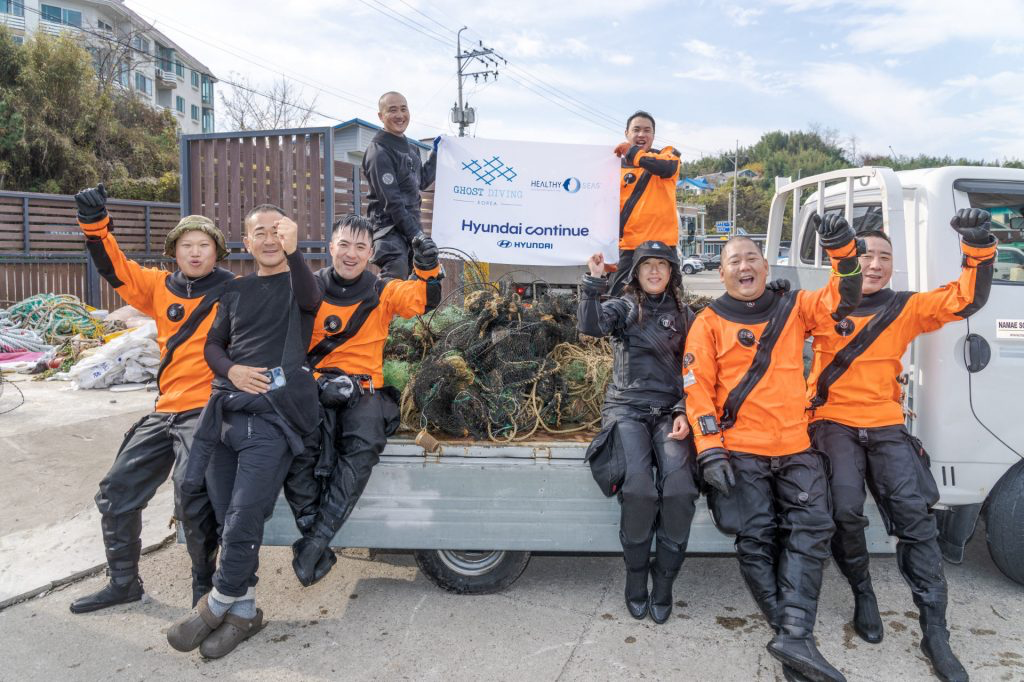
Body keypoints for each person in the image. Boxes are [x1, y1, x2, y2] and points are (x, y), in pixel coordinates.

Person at [805, 209, 996, 682]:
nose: (875, 264)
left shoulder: (907, 307)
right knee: (845, 510)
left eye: (885, 257)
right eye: (865, 255)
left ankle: (935, 632)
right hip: (831, 421)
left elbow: (965, 299)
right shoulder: (826, 302)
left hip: (886, 423)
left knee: (915, 520)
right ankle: (863, 593)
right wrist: (839, 250)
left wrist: (977, 246)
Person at [685, 216, 863, 682]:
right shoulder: (707, 322)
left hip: (795, 443)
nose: (743, 266)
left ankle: (793, 636)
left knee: (815, 527)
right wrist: (710, 450)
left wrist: (843, 253)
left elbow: (842, 298)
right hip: (740, 446)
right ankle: (796, 638)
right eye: (733, 261)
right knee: (756, 535)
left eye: (751, 259)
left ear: (766, 266)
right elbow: (697, 389)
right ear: (721, 273)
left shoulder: (794, 308)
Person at [68, 184, 234, 614]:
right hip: (165, 410)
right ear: (174, 252)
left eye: (203, 246)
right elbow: (114, 267)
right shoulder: (158, 287)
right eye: (186, 246)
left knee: (191, 493)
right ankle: (123, 582)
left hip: (209, 409)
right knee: (115, 490)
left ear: (217, 252)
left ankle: (205, 592)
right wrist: (94, 224)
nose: (195, 253)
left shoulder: (237, 291)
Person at [167, 205, 319, 659]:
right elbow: (213, 344)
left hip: (272, 421)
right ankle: (245, 610)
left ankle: (215, 604)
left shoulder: (300, 284)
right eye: (259, 233)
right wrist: (231, 370)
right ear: (246, 242)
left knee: (244, 516)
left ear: (288, 238)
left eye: (277, 232)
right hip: (224, 417)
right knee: (224, 510)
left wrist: (297, 255)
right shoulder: (234, 291)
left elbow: (312, 300)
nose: (269, 239)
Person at [284, 214, 443, 586]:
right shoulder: (309, 287)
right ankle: (313, 531)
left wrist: (426, 265)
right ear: (330, 248)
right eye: (344, 245)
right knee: (296, 443)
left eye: (360, 247)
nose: (351, 254)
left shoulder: (383, 290)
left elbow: (422, 300)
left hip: (364, 387)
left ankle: (315, 542)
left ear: (371, 253)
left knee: (363, 445)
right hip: (313, 384)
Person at [578, 240, 699, 624]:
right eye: (647, 265)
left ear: (672, 273)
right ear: (637, 272)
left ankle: (664, 583)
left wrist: (685, 409)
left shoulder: (688, 316)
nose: (654, 271)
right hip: (626, 409)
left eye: (662, 266)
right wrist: (592, 284)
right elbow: (590, 324)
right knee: (639, 490)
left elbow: (701, 369)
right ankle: (635, 579)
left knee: (680, 490)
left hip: (671, 412)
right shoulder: (626, 305)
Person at [364, 91, 438, 280]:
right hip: (388, 229)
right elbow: (393, 202)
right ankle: (380, 309)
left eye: (403, 109)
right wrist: (417, 234)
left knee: (419, 281)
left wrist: (437, 154)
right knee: (395, 274)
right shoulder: (379, 151)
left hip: (411, 226)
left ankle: (410, 311)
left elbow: (421, 181)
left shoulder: (411, 148)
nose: (400, 115)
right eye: (392, 110)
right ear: (381, 116)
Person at [608, 111, 681, 296]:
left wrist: (632, 152)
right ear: (626, 133)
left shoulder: (667, 156)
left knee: (670, 302)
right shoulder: (613, 166)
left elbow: (667, 167)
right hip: (629, 247)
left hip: (663, 246)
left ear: (653, 136)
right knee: (617, 300)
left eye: (647, 130)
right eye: (636, 130)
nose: (641, 134)